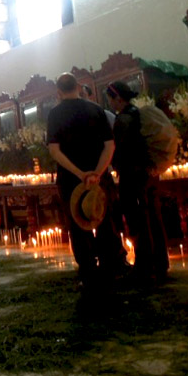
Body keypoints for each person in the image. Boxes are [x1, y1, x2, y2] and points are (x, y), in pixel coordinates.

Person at [47, 72, 128, 290]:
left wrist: (79, 173)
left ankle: (88, 271)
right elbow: (109, 145)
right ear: (78, 87)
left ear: (59, 92)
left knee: (77, 223)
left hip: (70, 179)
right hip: (99, 176)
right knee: (104, 218)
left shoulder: (55, 114)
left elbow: (54, 151)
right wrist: (97, 173)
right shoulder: (95, 109)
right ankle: (112, 265)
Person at [106, 81, 170, 284]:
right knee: (153, 215)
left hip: (132, 175)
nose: (110, 103)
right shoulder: (138, 113)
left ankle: (145, 267)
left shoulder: (123, 119)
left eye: (110, 99)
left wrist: (113, 165)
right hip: (148, 174)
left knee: (137, 220)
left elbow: (119, 150)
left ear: (118, 98)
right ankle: (161, 263)